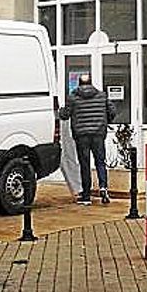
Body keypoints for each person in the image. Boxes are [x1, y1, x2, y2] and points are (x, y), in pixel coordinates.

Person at [59, 74, 115, 205]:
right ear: (91, 83)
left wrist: (61, 110)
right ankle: (103, 188)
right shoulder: (102, 95)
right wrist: (105, 122)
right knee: (100, 162)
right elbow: (112, 111)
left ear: (79, 84)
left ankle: (86, 195)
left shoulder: (73, 98)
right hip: (98, 134)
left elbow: (65, 115)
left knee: (85, 164)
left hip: (81, 135)